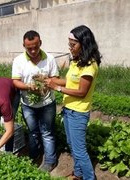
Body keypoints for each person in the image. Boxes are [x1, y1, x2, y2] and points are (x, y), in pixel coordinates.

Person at [45, 25, 101, 180]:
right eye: (69, 44)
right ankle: (78, 174)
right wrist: (51, 80)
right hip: (68, 109)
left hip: (78, 112)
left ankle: (90, 177)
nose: (70, 48)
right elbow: (70, 82)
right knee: (72, 145)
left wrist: (56, 87)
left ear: (84, 43)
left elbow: (82, 92)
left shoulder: (90, 65)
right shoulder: (77, 61)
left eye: (73, 44)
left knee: (80, 150)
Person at [12, 30, 59, 172]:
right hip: (28, 105)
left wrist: (47, 82)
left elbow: (55, 78)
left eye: (36, 47)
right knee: (33, 132)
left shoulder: (49, 59)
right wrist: (28, 87)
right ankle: (34, 156)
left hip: (47, 103)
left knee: (47, 132)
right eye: (29, 48)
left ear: (40, 43)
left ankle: (50, 161)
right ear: (24, 46)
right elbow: (15, 81)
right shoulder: (18, 61)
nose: (33, 50)